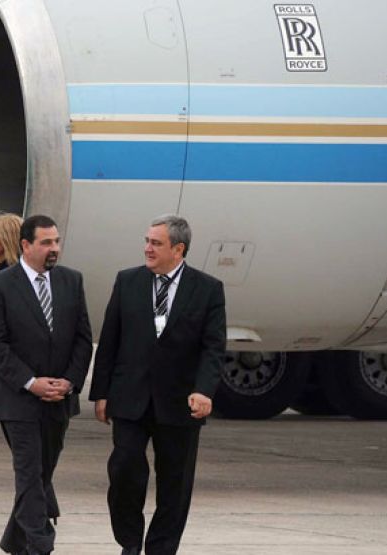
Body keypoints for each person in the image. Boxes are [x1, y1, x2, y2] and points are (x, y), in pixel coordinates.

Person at [89, 214, 226, 555]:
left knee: (175, 485)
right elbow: (110, 340)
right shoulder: (127, 281)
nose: (147, 248)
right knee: (124, 469)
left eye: (156, 243)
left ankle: (160, 549)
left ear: (178, 249)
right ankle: (130, 542)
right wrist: (101, 393)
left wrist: (204, 390)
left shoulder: (207, 289)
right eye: (147, 241)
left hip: (180, 402)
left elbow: (213, 347)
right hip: (130, 398)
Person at [0, 214, 93, 555]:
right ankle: (41, 544)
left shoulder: (72, 281)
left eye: (56, 241)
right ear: (25, 245)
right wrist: (31, 382)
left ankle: (15, 543)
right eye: (46, 242)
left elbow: (83, 339)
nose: (54, 248)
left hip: (59, 398)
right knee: (29, 473)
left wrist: (69, 382)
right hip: (19, 399)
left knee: (42, 475)